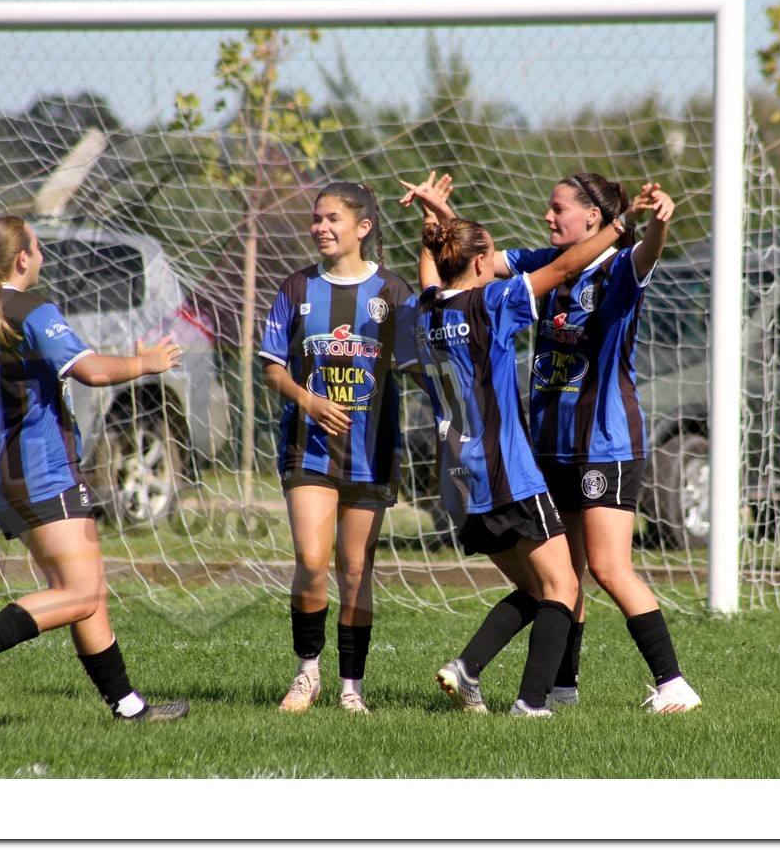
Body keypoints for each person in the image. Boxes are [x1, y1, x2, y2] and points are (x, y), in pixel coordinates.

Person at [415, 172, 703, 713]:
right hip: (545, 445)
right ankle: (560, 688)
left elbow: (645, 252)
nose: (547, 216)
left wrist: (653, 225)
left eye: (558, 208)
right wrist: (443, 227)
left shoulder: (617, 265)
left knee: (607, 568)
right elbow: (472, 265)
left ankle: (672, 683)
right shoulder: (538, 263)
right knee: (566, 577)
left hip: (604, 443)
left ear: (592, 217)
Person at [0, 214, 190, 723]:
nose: (41, 256)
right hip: (43, 469)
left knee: (85, 589)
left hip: (1, 473)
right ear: (22, 259)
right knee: (79, 592)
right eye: (37, 248)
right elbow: (91, 371)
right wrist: (144, 365)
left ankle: (129, 707)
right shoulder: (29, 309)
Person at [400, 173, 626, 717]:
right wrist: (618, 227)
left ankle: (467, 668)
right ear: (481, 263)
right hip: (509, 474)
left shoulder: (424, 311)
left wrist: (434, 224)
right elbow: (565, 268)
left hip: (460, 484)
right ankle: (532, 702)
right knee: (564, 587)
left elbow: (431, 272)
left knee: (537, 590)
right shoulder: (490, 304)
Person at [259, 181, 418, 715]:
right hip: (307, 449)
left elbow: (418, 362)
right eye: (316, 218)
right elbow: (272, 368)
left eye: (332, 219)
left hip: (373, 453)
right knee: (311, 560)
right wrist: (309, 400)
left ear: (363, 228)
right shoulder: (297, 287)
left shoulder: (392, 290)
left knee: (355, 570)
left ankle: (352, 687)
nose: (320, 227)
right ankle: (307, 674)